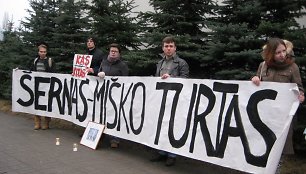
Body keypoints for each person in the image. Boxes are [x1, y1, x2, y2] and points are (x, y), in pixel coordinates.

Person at [251, 38, 304, 155]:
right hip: (266, 114)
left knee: (281, 148)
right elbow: (257, 82)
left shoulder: (293, 67)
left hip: (283, 115)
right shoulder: (263, 65)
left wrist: (300, 95)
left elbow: (299, 88)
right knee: (265, 144)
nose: (282, 55)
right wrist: (254, 79)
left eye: (284, 51)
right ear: (271, 53)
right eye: (278, 52)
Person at [150, 36, 189, 166]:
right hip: (162, 99)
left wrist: (172, 78)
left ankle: (172, 155)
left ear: (175, 48)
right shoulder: (160, 63)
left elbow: (186, 80)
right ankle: (161, 152)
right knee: (162, 125)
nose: (168, 48)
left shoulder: (182, 63)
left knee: (173, 126)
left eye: (171, 46)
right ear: (163, 48)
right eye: (166, 46)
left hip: (175, 100)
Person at [97, 43, 129, 148]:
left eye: (116, 51)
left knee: (115, 116)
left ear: (119, 54)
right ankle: (100, 134)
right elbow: (99, 72)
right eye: (112, 51)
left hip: (116, 96)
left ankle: (114, 139)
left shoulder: (122, 65)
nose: (113, 53)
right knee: (102, 114)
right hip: (104, 94)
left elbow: (126, 80)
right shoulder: (104, 62)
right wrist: (100, 75)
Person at [31, 43, 55, 130]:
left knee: (47, 104)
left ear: (46, 52)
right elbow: (31, 72)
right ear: (38, 52)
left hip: (47, 86)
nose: (43, 53)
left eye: (44, 52)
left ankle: (46, 123)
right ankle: (37, 123)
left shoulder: (50, 61)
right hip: (37, 86)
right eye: (41, 51)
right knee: (37, 104)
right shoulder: (35, 61)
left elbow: (54, 73)